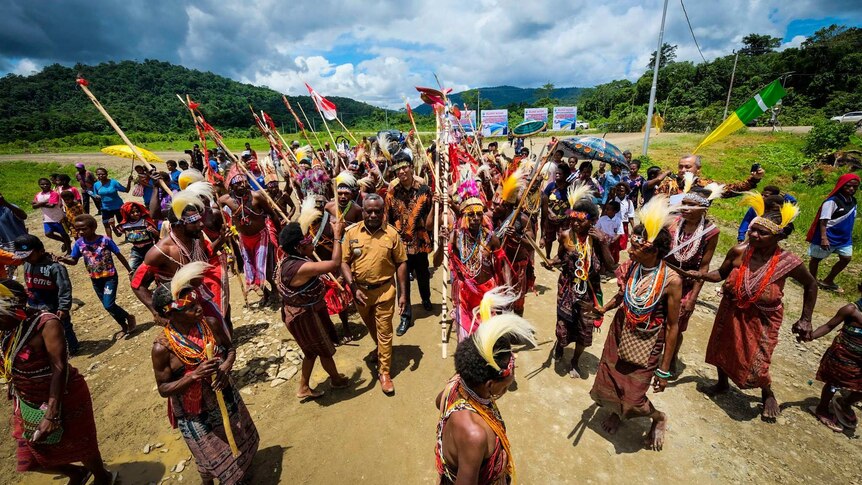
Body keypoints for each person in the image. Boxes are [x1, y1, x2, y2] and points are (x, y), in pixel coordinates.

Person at [682, 194, 817, 422]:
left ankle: (767, 392)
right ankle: (722, 383)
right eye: (754, 229)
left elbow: (811, 285)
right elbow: (720, 274)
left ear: (778, 236)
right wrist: (701, 275)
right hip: (731, 308)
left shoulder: (789, 262)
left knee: (760, 358)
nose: (754, 234)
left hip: (763, 318)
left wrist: (806, 318)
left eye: (762, 233)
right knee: (722, 346)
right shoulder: (738, 252)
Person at [150, 264, 259, 484]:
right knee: (208, 453)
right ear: (170, 313)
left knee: (237, 441)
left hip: (224, 395)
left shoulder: (210, 324)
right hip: (195, 412)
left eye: (197, 302)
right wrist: (193, 375)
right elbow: (163, 389)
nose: (198, 309)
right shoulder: (162, 348)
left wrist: (226, 367)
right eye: (189, 307)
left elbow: (230, 350)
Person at [0, 279, 115, 484]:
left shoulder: (46, 324)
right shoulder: (6, 329)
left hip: (64, 396)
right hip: (27, 400)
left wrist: (51, 414)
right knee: (29, 459)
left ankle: (102, 477)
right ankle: (77, 474)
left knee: (82, 445)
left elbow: (59, 368)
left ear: (13, 307)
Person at [590, 196, 682, 451]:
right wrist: (605, 308)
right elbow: (623, 294)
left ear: (653, 250)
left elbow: (673, 326)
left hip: (647, 338)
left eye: (636, 246)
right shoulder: (633, 266)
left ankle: (658, 417)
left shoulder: (671, 280)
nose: (630, 249)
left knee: (634, 393)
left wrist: (664, 370)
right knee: (611, 378)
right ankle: (617, 413)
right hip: (621, 329)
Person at [435, 313, 536, 484]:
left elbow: (439, 402)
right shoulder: (474, 435)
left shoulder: (456, 383)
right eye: (506, 383)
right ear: (489, 385)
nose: (512, 377)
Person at [131, 191, 229, 333]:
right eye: (194, 221)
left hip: (200, 295)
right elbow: (137, 284)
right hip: (179, 308)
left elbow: (204, 256)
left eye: (199, 219)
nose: (201, 225)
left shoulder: (197, 237)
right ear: (178, 226)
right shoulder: (161, 252)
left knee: (220, 328)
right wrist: (156, 311)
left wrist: (221, 240)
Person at [341, 194, 408, 395]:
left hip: (385, 291)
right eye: (368, 211)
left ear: (383, 212)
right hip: (360, 292)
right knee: (372, 327)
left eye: (377, 211)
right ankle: (381, 351)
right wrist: (353, 287)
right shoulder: (352, 233)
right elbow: (343, 262)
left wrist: (403, 294)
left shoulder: (392, 234)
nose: (372, 215)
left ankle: (384, 372)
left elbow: (401, 263)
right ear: (362, 211)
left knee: (385, 331)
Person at [276, 221, 351, 398]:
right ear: (298, 248)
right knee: (322, 348)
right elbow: (334, 264)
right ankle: (336, 379)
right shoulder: (299, 267)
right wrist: (337, 236)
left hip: (302, 313)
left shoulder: (292, 260)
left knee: (310, 352)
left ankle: (303, 387)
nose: (313, 243)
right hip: (304, 317)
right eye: (308, 241)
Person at [553, 185, 615, 379]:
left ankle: (575, 361)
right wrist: (552, 262)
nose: (575, 224)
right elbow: (559, 257)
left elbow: (611, 266)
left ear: (593, 221)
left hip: (588, 292)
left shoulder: (599, 239)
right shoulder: (565, 235)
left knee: (584, 327)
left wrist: (604, 244)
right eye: (572, 219)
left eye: (580, 220)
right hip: (567, 288)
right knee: (563, 325)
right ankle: (560, 347)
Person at [665, 185, 722, 374]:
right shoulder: (672, 223)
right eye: (684, 204)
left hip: (687, 284)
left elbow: (704, 267)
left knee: (677, 325)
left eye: (691, 205)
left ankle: (671, 356)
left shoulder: (711, 232)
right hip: (666, 278)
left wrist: (692, 298)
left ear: (703, 210)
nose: (685, 208)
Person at [57, 215, 136, 339]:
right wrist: (63, 260)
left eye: (84, 229)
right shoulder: (79, 243)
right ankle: (124, 326)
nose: (81, 232)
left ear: (93, 227)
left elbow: (118, 254)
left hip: (109, 277)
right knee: (107, 306)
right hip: (95, 279)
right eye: (78, 230)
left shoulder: (105, 240)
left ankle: (128, 317)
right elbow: (74, 260)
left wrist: (130, 270)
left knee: (108, 304)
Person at [385, 149, 434, 335]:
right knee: (402, 280)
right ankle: (405, 316)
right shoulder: (391, 194)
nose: (402, 172)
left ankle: (426, 299)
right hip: (400, 245)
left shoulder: (424, 190)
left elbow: (430, 221)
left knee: (423, 274)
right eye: (398, 169)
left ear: (412, 168)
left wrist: (436, 206)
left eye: (405, 167)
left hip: (420, 242)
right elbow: (387, 220)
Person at [801, 283, 862, 432]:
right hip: (842, 356)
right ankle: (822, 408)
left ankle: (845, 403)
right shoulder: (851, 310)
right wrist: (811, 336)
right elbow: (829, 326)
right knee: (834, 383)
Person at [449, 180, 502, 341]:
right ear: (464, 217)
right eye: (471, 214)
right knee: (467, 336)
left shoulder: (491, 238)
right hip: (465, 292)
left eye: (479, 214)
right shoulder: (457, 236)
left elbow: (499, 267)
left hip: (486, 292)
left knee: (487, 335)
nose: (476, 218)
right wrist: (446, 242)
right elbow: (443, 262)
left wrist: (501, 291)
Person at [219, 167, 280, 306]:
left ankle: (275, 290)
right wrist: (224, 227)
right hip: (244, 238)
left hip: (261, 236)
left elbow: (272, 215)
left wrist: (279, 233)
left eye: (244, 182)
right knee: (249, 267)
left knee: (264, 268)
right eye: (238, 183)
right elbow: (217, 215)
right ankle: (266, 293)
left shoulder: (256, 197)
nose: (243, 185)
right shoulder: (225, 200)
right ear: (231, 186)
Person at [14, 235, 79, 355]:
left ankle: (72, 348)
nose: (27, 259)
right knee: (41, 328)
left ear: (41, 251)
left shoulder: (55, 267)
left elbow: (64, 288)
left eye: (29, 255)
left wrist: (63, 307)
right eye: (24, 256)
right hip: (35, 305)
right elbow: (28, 281)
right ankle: (53, 349)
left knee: (63, 327)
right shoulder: (28, 264)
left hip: (54, 305)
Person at [806, 173, 860, 294]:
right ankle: (811, 280)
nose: (852, 189)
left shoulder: (853, 201)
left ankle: (828, 280)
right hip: (829, 236)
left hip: (844, 238)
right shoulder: (832, 201)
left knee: (846, 258)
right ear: (841, 186)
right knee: (816, 259)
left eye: (855, 187)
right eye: (848, 186)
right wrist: (824, 238)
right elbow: (823, 220)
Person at [493, 170, 536, 317]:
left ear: (506, 206)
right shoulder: (494, 218)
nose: (493, 207)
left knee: (517, 301)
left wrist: (517, 236)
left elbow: (531, 245)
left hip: (517, 266)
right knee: (499, 300)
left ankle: (517, 329)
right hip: (500, 265)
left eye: (496, 205)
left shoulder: (522, 220)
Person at [656, 154, 764, 197]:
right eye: (680, 167)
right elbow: (655, 204)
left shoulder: (706, 185)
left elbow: (733, 190)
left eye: (687, 167)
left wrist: (753, 180)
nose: (683, 170)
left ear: (698, 169)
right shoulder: (668, 184)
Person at [540, 163, 572, 261]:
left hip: (564, 220)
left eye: (560, 174)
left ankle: (558, 257)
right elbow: (545, 203)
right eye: (556, 173)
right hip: (550, 219)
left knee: (562, 239)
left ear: (566, 176)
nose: (557, 175)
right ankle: (548, 256)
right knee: (548, 239)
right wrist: (551, 213)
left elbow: (572, 204)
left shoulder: (570, 188)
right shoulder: (550, 186)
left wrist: (566, 214)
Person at [117, 201, 161, 273]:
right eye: (132, 212)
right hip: (136, 250)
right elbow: (118, 234)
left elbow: (157, 235)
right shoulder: (125, 225)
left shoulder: (145, 222)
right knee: (131, 268)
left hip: (149, 248)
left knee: (154, 267)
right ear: (128, 213)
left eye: (137, 211)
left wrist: (153, 230)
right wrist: (112, 226)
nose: (136, 214)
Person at [32, 178, 71, 254]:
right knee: (48, 234)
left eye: (47, 184)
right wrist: (44, 202)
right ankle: (65, 242)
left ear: (50, 184)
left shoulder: (54, 193)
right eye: (42, 184)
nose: (45, 185)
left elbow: (52, 205)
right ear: (39, 185)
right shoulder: (38, 195)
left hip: (58, 217)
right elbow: (34, 206)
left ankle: (69, 250)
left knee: (64, 234)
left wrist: (39, 203)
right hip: (47, 218)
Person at [93, 168, 132, 240]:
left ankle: (127, 236)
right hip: (105, 208)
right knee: (106, 224)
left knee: (122, 223)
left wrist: (129, 181)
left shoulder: (113, 183)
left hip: (118, 206)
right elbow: (95, 194)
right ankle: (109, 240)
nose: (101, 176)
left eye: (103, 174)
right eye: (98, 174)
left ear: (107, 174)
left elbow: (126, 190)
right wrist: (96, 196)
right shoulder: (96, 185)